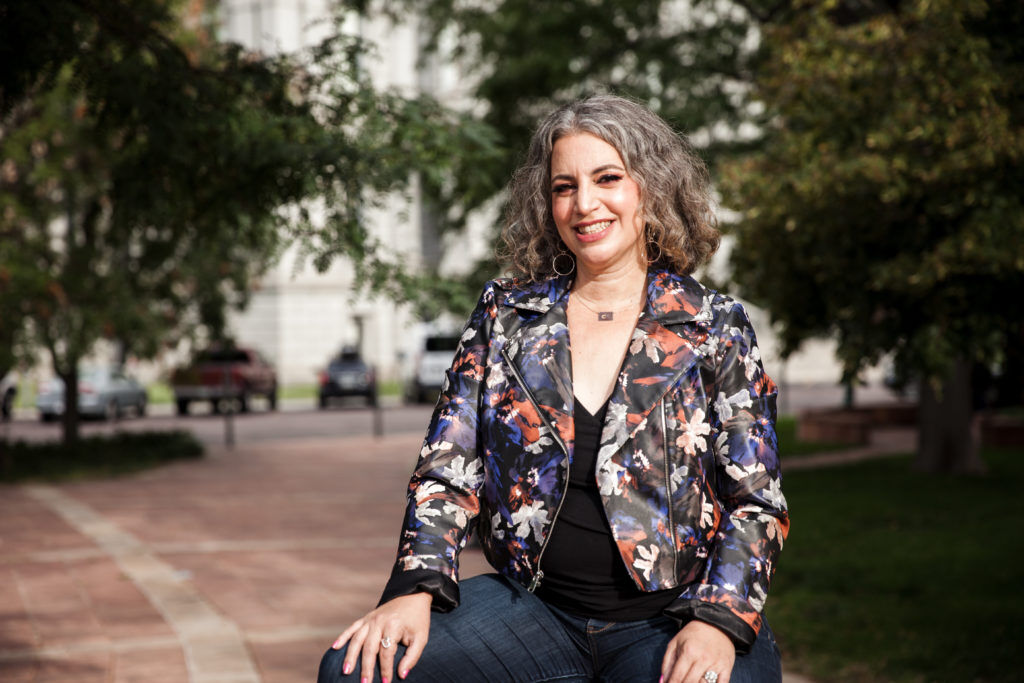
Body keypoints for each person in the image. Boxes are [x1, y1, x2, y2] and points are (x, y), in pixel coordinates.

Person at [318, 95, 789, 683]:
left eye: (607, 178)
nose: (584, 204)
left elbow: (757, 501)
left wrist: (717, 620)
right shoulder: (506, 315)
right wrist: (415, 588)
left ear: (651, 188)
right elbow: (447, 470)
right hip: (534, 611)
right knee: (355, 670)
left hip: (673, 615)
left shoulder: (714, 325)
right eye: (564, 187)